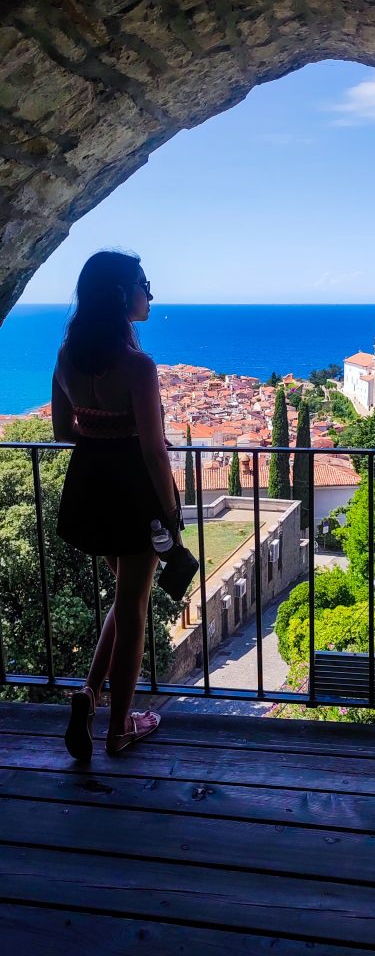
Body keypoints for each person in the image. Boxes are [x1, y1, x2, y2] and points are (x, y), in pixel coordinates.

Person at [52, 249, 182, 759]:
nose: (149, 293)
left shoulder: (67, 357)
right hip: (133, 490)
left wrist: (101, 426)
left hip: (91, 486)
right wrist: (170, 510)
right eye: (143, 284)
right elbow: (153, 450)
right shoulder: (138, 366)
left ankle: (87, 696)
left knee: (127, 597)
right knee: (134, 611)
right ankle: (119, 728)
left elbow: (65, 430)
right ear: (120, 294)